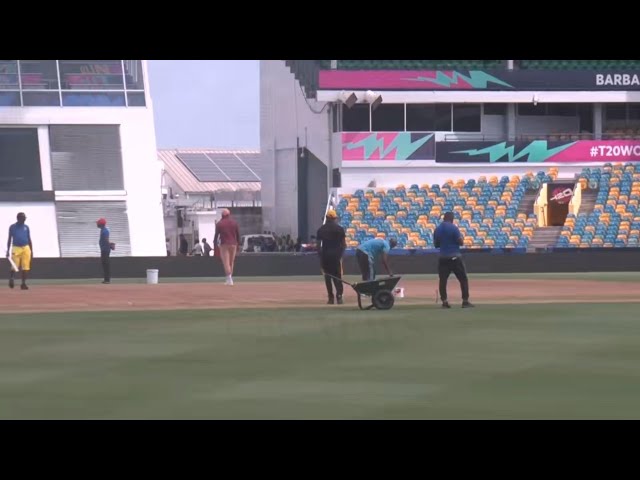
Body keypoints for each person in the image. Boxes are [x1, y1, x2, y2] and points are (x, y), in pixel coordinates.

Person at [433, 211, 474, 308]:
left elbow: (436, 245)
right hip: (455, 257)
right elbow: (460, 242)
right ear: (452, 219)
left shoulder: (437, 229)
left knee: (443, 280)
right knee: (463, 279)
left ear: (444, 218)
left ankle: (445, 302)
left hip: (443, 257)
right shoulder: (454, 228)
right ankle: (465, 301)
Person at [316, 210, 346, 304]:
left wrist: (321, 256)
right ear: (334, 218)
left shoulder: (321, 229)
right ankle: (339, 296)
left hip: (326, 256)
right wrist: (340, 255)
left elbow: (318, 246)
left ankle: (331, 298)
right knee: (338, 277)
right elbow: (344, 244)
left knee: (328, 277)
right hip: (336, 256)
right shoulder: (340, 229)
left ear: (327, 218)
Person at [213, 208, 240, 285]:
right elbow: (238, 235)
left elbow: (216, 235)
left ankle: (229, 279)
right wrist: (238, 244)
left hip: (224, 244)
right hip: (233, 244)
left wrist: (214, 244)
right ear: (229, 214)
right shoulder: (234, 223)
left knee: (226, 262)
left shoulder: (219, 224)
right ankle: (230, 278)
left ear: (222, 215)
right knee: (231, 262)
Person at [6, 212, 33, 290]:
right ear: (19, 218)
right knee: (14, 266)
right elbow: (9, 238)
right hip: (16, 248)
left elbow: (29, 238)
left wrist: (31, 250)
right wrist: (8, 250)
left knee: (26, 267)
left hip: (26, 248)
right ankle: (12, 278)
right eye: (23, 217)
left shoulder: (26, 227)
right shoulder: (12, 227)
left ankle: (23, 284)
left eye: (25, 217)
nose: (25, 219)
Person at [96, 218, 114, 284]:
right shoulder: (103, 230)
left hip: (105, 250)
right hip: (104, 249)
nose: (97, 224)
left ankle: (107, 280)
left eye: (98, 223)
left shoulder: (104, 231)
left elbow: (106, 239)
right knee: (104, 264)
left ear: (101, 224)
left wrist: (110, 245)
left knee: (106, 264)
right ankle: (106, 279)